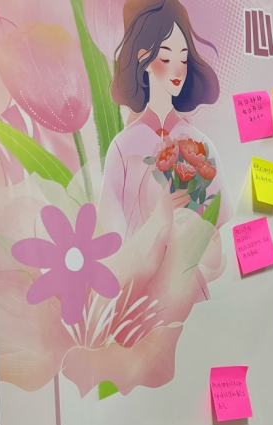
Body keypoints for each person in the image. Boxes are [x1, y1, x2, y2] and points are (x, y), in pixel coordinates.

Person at [98, 0, 232, 301]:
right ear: (143, 58)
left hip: (185, 300)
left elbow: (215, 254)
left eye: (183, 59)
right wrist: (160, 218)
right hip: (131, 302)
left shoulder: (198, 144)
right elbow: (110, 250)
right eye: (167, 56)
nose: (177, 69)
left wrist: (190, 229)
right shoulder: (122, 148)